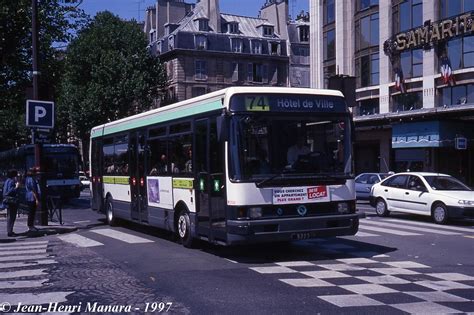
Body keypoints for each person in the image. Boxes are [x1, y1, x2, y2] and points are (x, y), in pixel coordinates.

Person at [3, 169, 20, 237]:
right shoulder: (12, 181)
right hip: (12, 201)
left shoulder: (7, 181)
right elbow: (10, 191)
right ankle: (10, 231)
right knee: (12, 216)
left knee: (10, 216)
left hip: (7, 200)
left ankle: (9, 231)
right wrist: (16, 187)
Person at [25, 167, 40, 233]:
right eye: (35, 172)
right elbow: (33, 190)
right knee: (32, 212)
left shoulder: (27, 179)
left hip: (28, 196)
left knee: (31, 212)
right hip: (32, 197)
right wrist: (36, 199)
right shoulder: (32, 179)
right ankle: (30, 226)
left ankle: (31, 225)